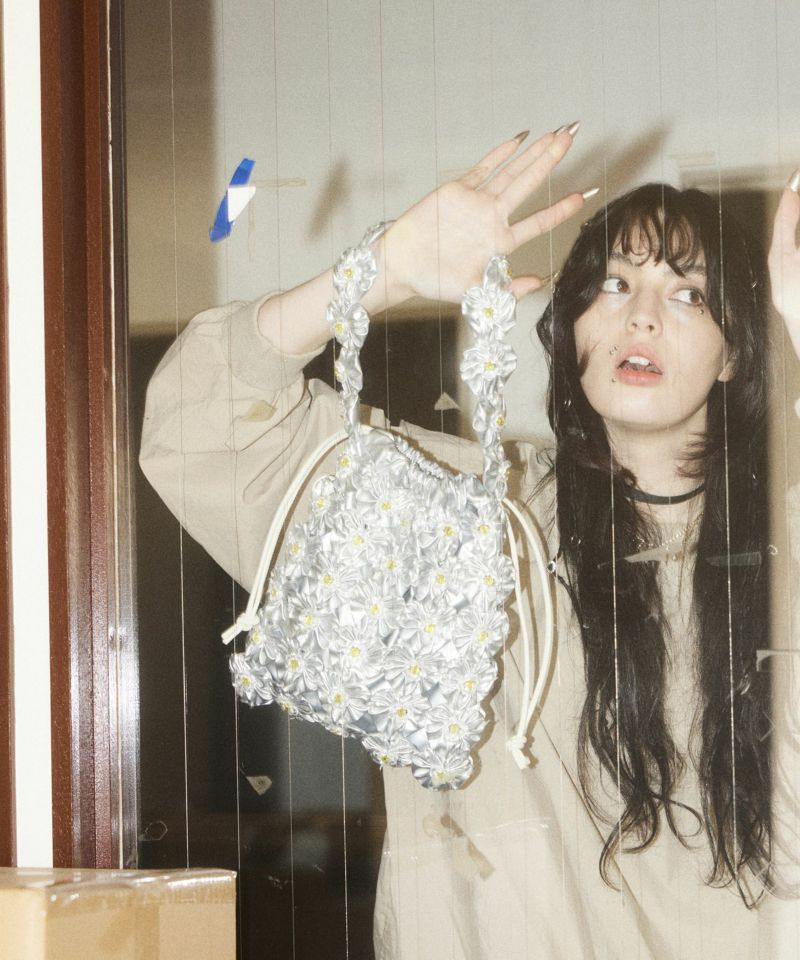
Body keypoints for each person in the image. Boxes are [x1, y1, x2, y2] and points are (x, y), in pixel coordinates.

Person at [140, 126, 800, 958]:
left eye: (689, 294)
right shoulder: (464, 520)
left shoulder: (784, 552)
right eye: (614, 282)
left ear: (737, 351)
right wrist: (376, 274)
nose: (639, 313)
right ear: (572, 326)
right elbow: (206, 431)